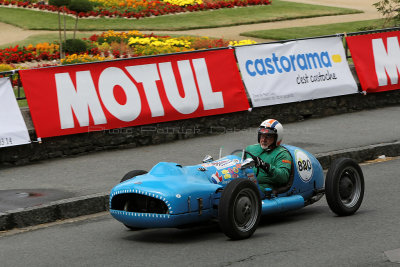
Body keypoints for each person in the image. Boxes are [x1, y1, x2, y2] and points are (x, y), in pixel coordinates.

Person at [245, 119, 292, 192]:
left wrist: (265, 166)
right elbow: (236, 161)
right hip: (244, 181)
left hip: (264, 187)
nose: (263, 140)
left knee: (241, 190)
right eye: (262, 135)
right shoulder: (250, 148)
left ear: (277, 137)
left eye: (268, 136)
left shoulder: (282, 154)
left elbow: (284, 177)